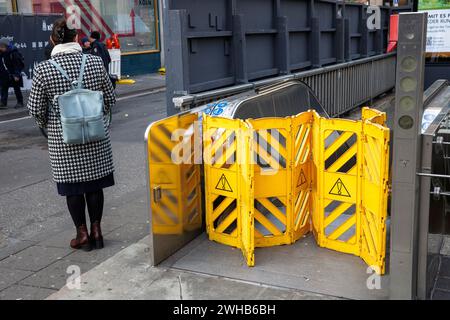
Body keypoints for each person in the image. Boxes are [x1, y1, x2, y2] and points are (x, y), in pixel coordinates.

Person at [27, 18, 116, 251]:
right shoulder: (95, 62)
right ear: (77, 38)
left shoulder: (44, 69)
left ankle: (82, 234)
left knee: (73, 187)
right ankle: (98, 231)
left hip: (63, 140)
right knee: (95, 186)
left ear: (52, 40)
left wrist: (51, 124)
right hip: (96, 135)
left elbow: (35, 109)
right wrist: (96, 114)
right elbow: (110, 99)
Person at [0, 37, 25, 109]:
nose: (0, 48)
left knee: (16, 88)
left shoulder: (14, 53)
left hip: (14, 74)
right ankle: (3, 102)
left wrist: (17, 75)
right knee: (4, 88)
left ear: (6, 46)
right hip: (4, 74)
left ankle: (20, 102)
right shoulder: (1, 53)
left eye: (2, 47)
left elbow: (18, 65)